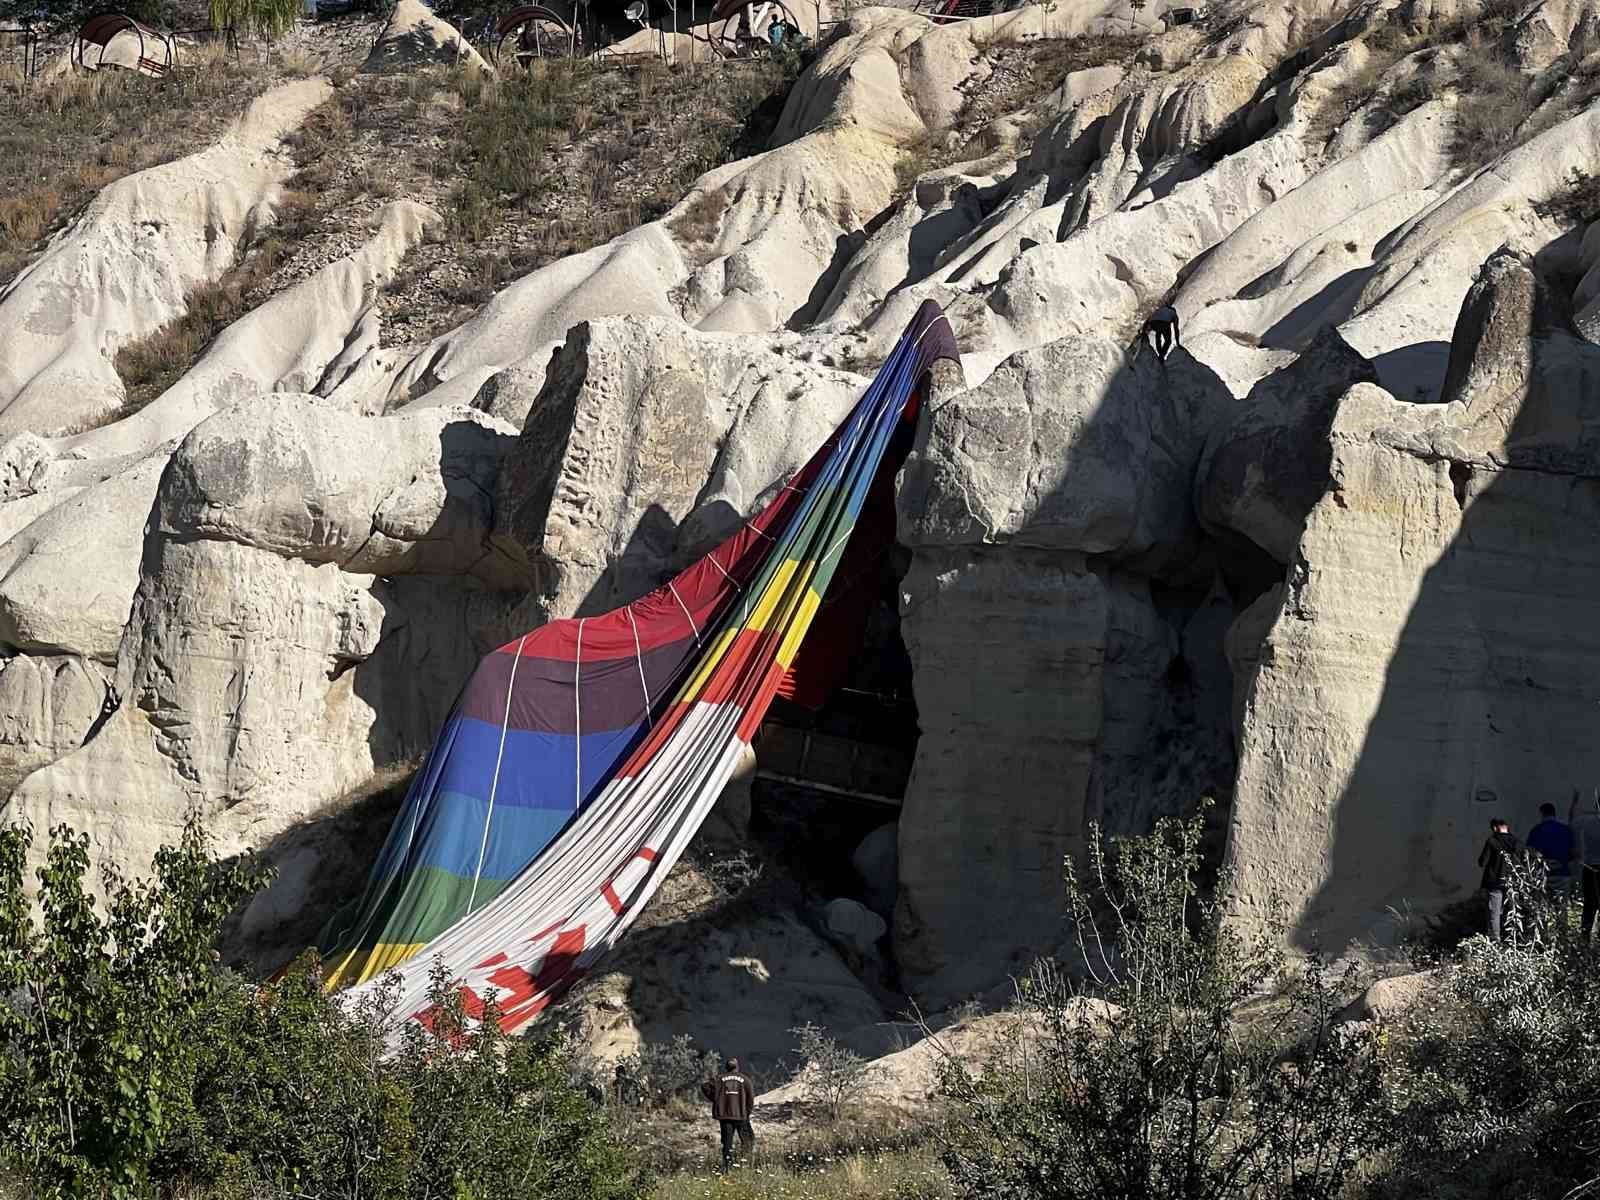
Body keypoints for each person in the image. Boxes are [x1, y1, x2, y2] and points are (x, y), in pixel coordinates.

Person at [701, 1056, 755, 1169]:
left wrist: (716, 1099)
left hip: (725, 1116)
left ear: (726, 1067)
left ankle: (727, 1167)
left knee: (727, 1143)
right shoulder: (745, 1080)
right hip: (741, 1115)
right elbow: (750, 1099)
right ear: (737, 1067)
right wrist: (747, 1113)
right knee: (748, 1140)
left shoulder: (719, 1079)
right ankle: (746, 1164)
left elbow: (705, 1086)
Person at [1477, 816, 1521, 942]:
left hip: (1494, 882)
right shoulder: (1516, 842)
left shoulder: (1492, 841)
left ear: (1495, 828)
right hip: (1512, 882)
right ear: (1507, 827)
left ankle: (1495, 940)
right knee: (1511, 912)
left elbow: (1482, 862)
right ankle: (1511, 940)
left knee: (1494, 913)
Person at [1526, 801, 1574, 902]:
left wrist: (1544, 861)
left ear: (1541, 814)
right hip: (1563, 874)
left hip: (1543, 875)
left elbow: (1529, 852)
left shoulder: (1536, 830)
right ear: (1554, 813)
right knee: (1561, 908)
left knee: (1543, 908)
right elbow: (1573, 853)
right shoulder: (1566, 830)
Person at [1571, 788, 1600, 941]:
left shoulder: (1587, 821)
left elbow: (1573, 821)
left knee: (1590, 905)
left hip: (1590, 867)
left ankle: (1585, 939)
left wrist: (1574, 803)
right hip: (1592, 867)